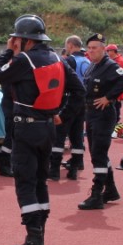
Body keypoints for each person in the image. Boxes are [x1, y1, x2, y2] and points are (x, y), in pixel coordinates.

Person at [0, 14, 84, 245]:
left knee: (25, 183)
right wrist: (62, 115)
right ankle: (39, 235)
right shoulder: (58, 58)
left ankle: (33, 241)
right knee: (40, 182)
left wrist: (7, 52)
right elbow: (79, 91)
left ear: (24, 39)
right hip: (48, 129)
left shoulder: (23, 59)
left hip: (26, 129)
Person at [77, 33, 123, 210]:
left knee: (98, 154)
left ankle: (96, 194)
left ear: (103, 49)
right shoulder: (93, 66)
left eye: (95, 48)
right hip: (91, 113)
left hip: (103, 114)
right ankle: (110, 190)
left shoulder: (109, 65)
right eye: (89, 48)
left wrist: (109, 97)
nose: (91, 51)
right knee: (97, 153)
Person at [51, 35, 90, 181]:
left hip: (69, 99)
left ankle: (54, 169)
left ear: (70, 45)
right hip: (81, 101)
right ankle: (75, 166)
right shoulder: (87, 60)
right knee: (77, 135)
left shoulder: (69, 61)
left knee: (59, 135)